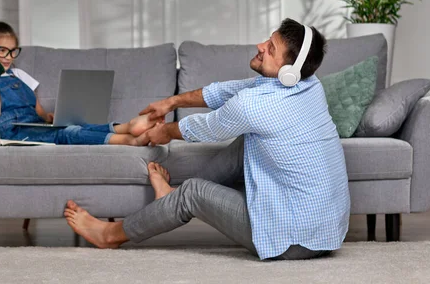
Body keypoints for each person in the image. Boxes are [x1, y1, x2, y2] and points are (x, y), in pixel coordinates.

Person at [63, 18, 351, 261]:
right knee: (247, 144)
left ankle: (110, 235)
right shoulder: (310, 85)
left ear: (288, 72)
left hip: (293, 241)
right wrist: (171, 103)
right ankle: (170, 199)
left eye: (271, 48)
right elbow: (225, 91)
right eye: (268, 39)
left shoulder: (256, 106)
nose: (260, 46)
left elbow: (206, 128)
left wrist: (162, 132)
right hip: (326, 230)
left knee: (193, 193)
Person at [0, 16, 159, 146]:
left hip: (35, 125)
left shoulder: (20, 75)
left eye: (13, 51)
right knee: (67, 134)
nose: (8, 57)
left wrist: (49, 117)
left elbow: (38, 110)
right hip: (14, 134)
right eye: (2, 51)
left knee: (73, 126)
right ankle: (128, 140)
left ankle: (126, 126)